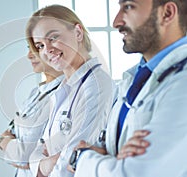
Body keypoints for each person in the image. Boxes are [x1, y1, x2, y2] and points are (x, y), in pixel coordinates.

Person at [71, 0, 187, 176]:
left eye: (129, 7)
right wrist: (110, 156)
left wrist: (81, 158)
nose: (116, 22)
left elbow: (134, 173)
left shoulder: (182, 82)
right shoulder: (136, 78)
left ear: (167, 13)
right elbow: (108, 147)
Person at [26, 5, 115, 177]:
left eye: (53, 37)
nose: (47, 50)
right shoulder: (63, 89)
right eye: (40, 45)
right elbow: (37, 150)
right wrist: (43, 164)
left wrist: (43, 164)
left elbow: (73, 162)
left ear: (78, 33)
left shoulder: (95, 86)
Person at [0, 47, 64, 177]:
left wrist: (4, 142)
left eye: (37, 47)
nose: (29, 55)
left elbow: (23, 156)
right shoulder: (36, 92)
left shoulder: (59, 96)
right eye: (29, 48)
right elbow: (11, 131)